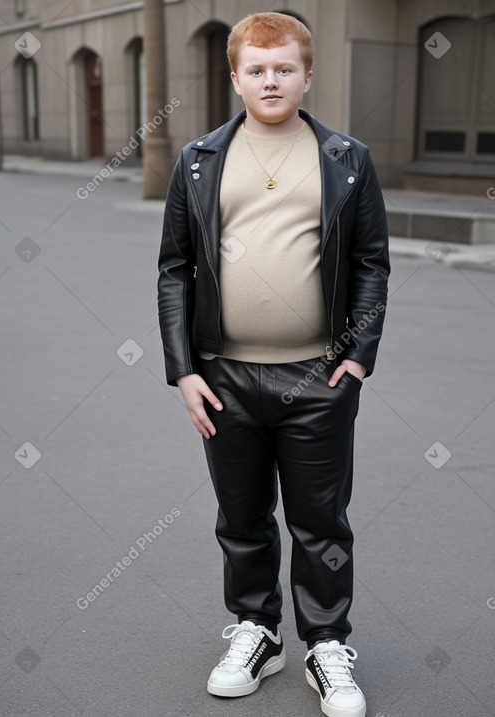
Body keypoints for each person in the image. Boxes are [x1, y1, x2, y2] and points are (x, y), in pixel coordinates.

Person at [157, 12, 390, 717]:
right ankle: (258, 632)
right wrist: (182, 369)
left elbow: (373, 264)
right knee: (242, 518)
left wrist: (357, 359)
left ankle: (326, 644)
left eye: (284, 67)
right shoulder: (199, 158)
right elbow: (174, 267)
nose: (270, 79)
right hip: (223, 375)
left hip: (319, 377)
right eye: (256, 69)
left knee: (322, 522)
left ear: (307, 74)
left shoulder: (347, 157)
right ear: (236, 78)